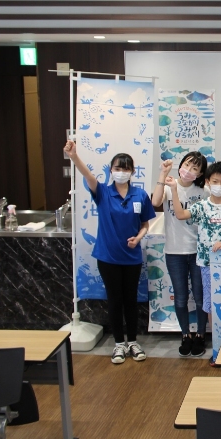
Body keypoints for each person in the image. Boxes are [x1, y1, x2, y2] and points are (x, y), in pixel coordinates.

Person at [63, 140, 155, 365]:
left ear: (132, 171)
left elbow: (145, 224)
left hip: (132, 257)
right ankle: (119, 343)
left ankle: (133, 341)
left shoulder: (140, 195)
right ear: (111, 170)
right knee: (114, 300)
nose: (122, 172)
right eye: (117, 168)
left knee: (131, 300)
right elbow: (88, 175)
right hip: (108, 257)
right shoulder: (103, 192)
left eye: (126, 168)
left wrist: (138, 238)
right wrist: (74, 157)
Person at [167, 161, 221, 364]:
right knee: (212, 305)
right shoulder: (202, 206)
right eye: (215, 181)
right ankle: (218, 348)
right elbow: (180, 214)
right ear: (207, 182)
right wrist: (174, 190)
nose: (219, 185)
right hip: (206, 264)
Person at [151, 152, 209, 357]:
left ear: (200, 173)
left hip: (198, 251)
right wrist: (163, 173)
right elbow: (155, 201)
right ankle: (185, 335)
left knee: (200, 298)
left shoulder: (204, 191)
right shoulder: (169, 185)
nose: (189, 170)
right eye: (186, 165)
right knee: (181, 297)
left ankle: (200, 335)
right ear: (180, 165)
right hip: (174, 251)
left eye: (195, 168)